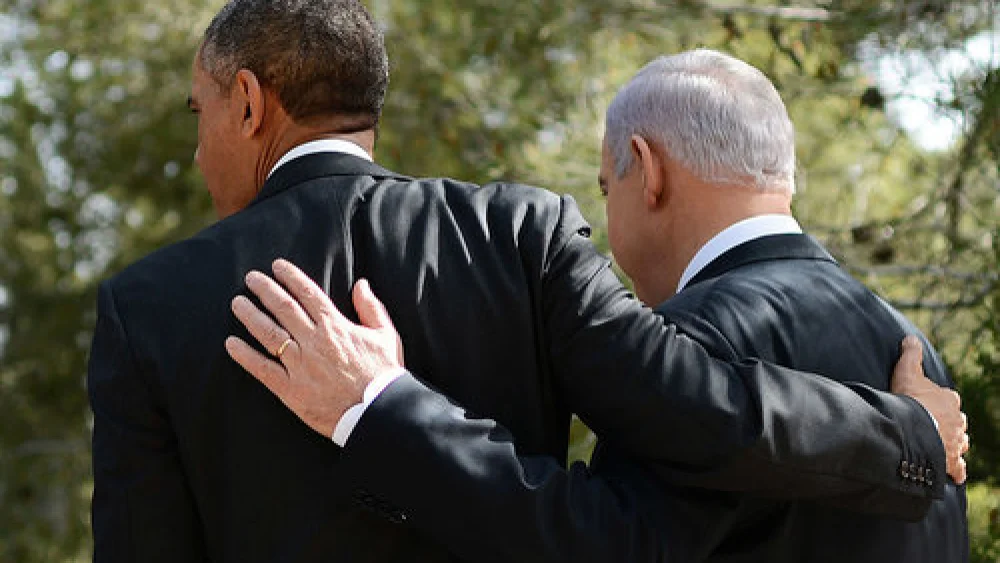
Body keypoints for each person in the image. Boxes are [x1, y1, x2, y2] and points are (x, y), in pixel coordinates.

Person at [86, 0, 963, 560]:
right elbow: (696, 406)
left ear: (247, 102)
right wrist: (908, 433)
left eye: (198, 114)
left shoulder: (147, 306)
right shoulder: (519, 231)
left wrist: (378, 406)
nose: (198, 148)